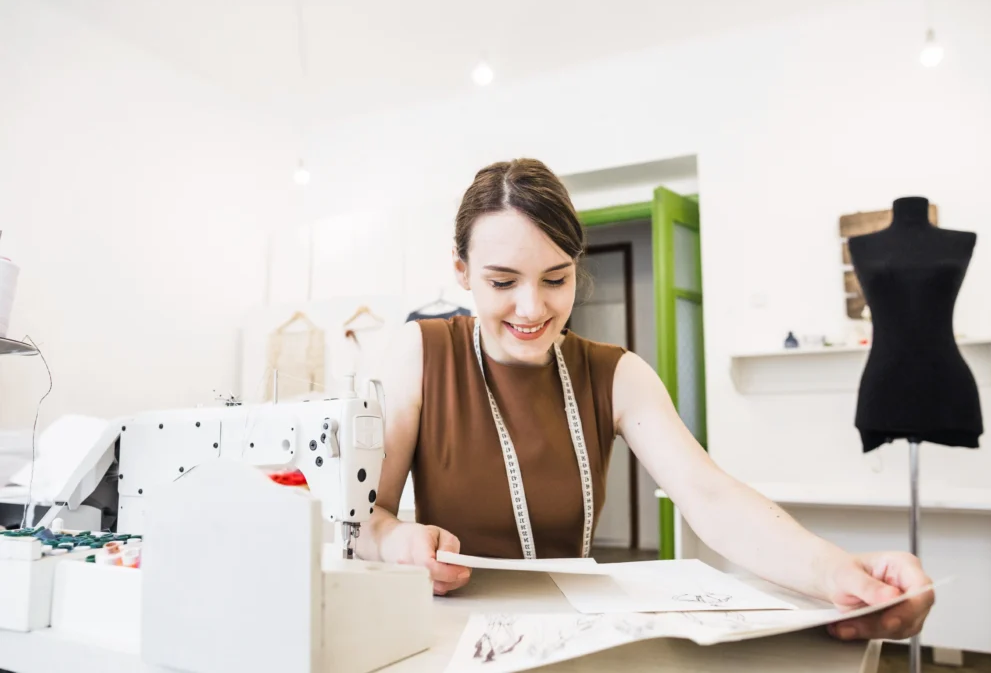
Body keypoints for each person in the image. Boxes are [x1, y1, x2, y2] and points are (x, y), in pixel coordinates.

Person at [357, 158, 935, 643]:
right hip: (456, 640)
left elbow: (711, 498)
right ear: (462, 272)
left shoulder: (615, 373)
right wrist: (395, 540)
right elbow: (363, 518)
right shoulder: (422, 354)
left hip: (570, 639)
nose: (532, 309)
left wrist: (837, 571)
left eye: (555, 280)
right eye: (503, 282)